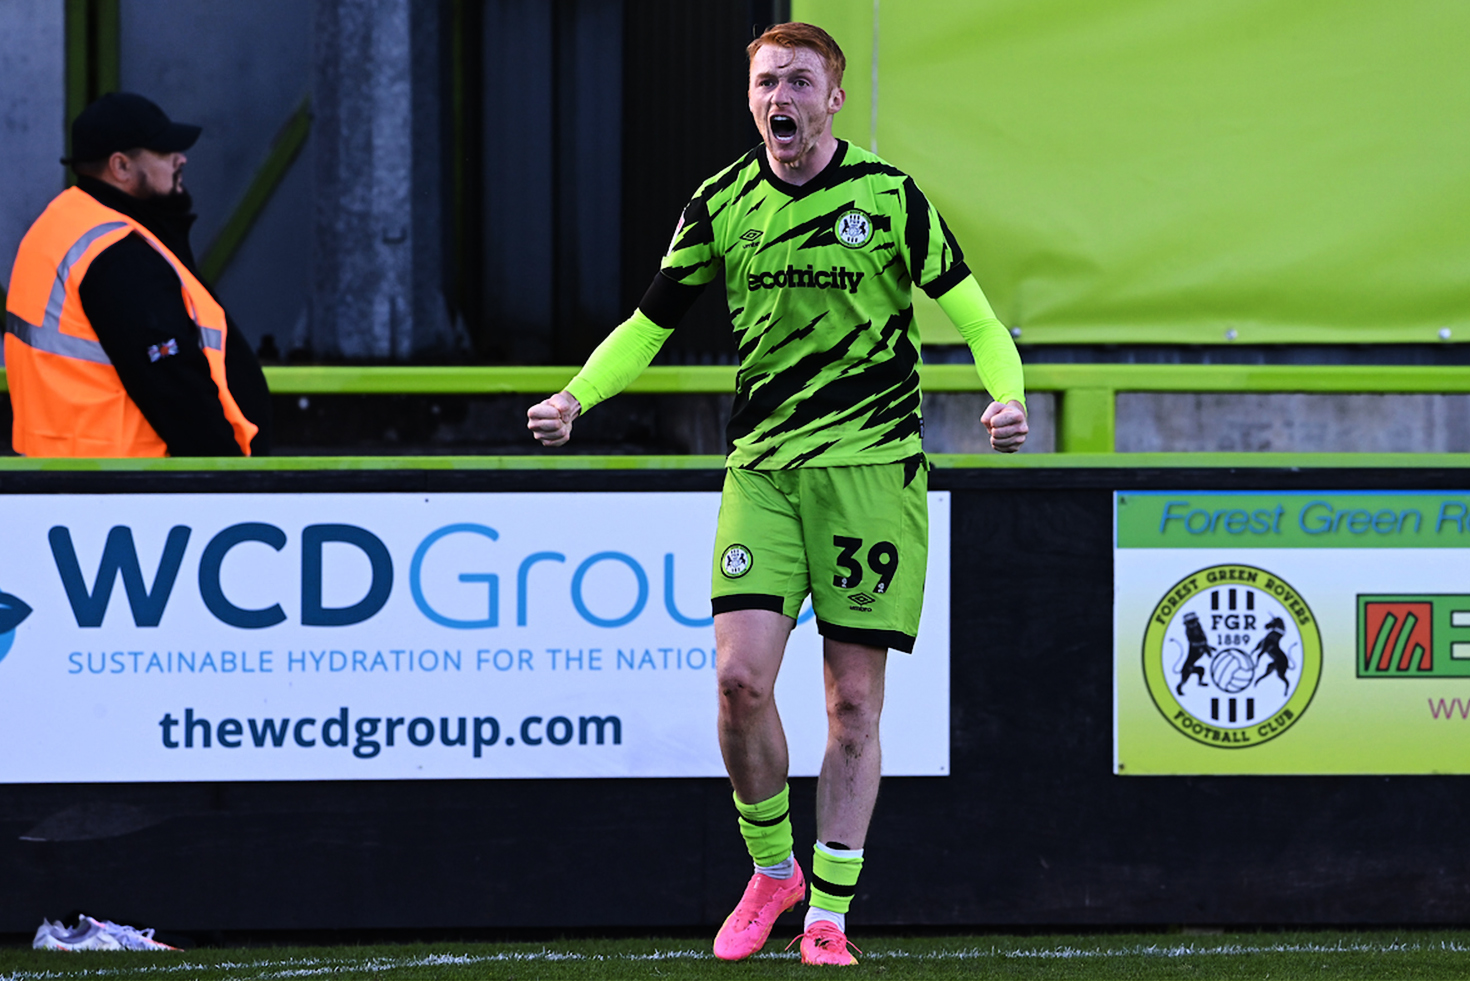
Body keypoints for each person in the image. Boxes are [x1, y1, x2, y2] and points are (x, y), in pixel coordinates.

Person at [528, 22, 1027, 965]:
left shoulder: (889, 198)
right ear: (750, 98)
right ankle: (772, 870)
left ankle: (829, 914)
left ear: (833, 98)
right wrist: (575, 396)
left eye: (798, 81)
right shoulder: (719, 203)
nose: (779, 97)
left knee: (852, 704)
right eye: (765, 83)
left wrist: (1007, 396)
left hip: (872, 475)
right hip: (762, 473)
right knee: (739, 680)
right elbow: (648, 325)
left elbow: (975, 316)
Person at [4, 91, 270, 456]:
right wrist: (228, 471)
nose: (181, 159)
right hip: (133, 476)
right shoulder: (117, 254)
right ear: (121, 167)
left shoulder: (62, 224)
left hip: (71, 471)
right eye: (164, 151)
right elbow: (174, 386)